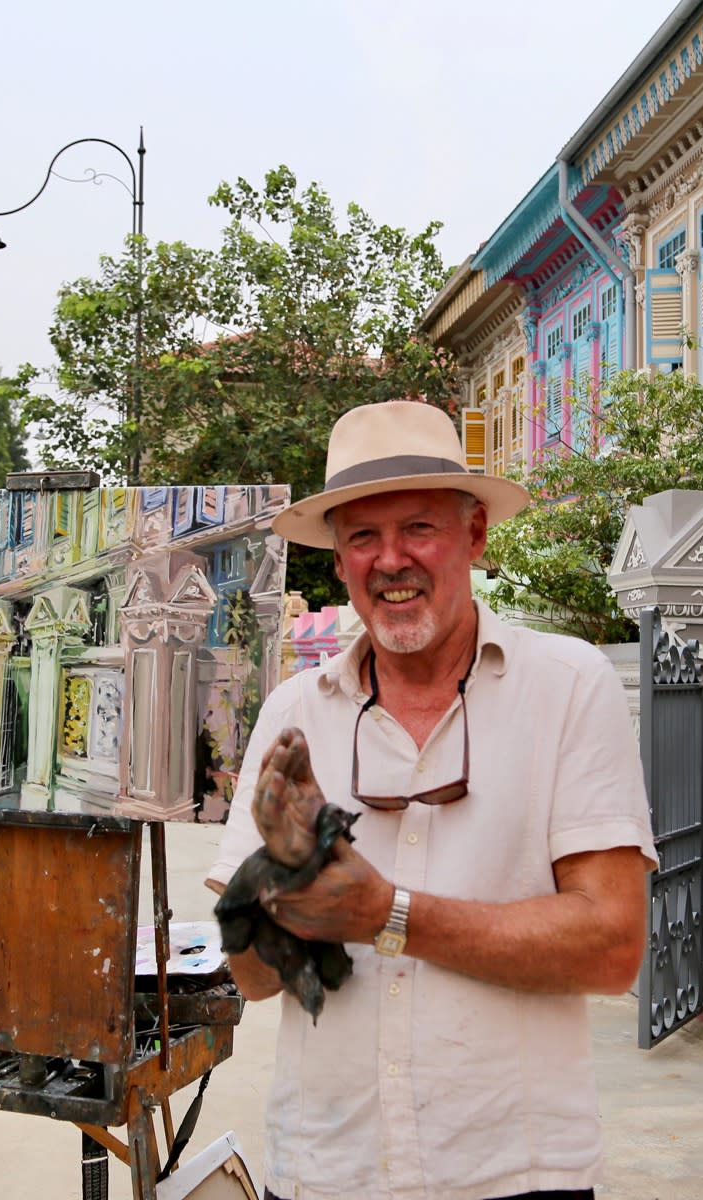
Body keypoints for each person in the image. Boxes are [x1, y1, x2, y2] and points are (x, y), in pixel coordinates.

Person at [206, 401, 657, 1200]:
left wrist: (387, 913)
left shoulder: (567, 686)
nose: (390, 561)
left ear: (475, 535)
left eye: (418, 528)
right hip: (326, 1167)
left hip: (517, 1170)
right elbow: (255, 981)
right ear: (340, 560)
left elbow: (613, 947)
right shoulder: (294, 712)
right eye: (362, 538)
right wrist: (272, 891)